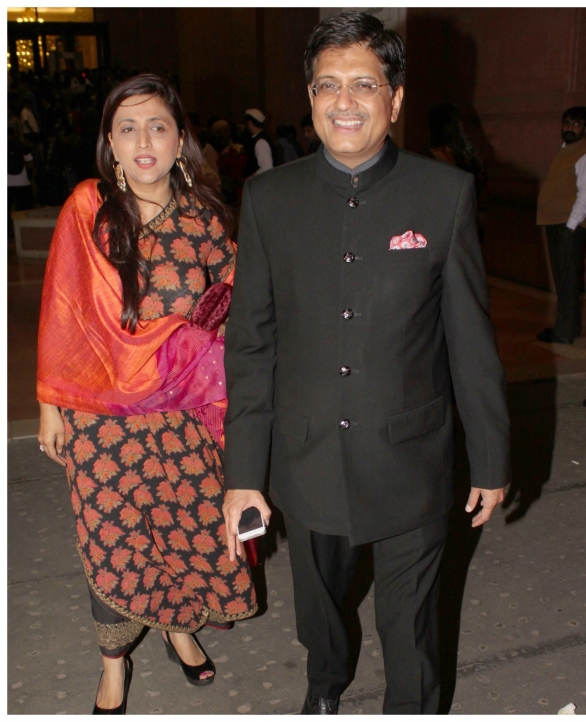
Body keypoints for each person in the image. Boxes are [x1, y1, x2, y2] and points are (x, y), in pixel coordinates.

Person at [221, 12, 510, 715]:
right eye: (328, 85)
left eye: (364, 84)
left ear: (395, 99)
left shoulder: (443, 195)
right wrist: (243, 475)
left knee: (412, 630)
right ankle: (325, 684)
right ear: (310, 97)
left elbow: (469, 339)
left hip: (411, 456)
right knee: (319, 609)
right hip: (306, 455)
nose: (344, 102)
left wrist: (491, 457)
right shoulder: (268, 199)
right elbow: (251, 344)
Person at [35, 73, 251, 714]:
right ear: (110, 142)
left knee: (183, 530)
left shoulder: (205, 218)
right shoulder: (88, 212)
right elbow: (62, 312)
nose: (144, 142)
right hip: (101, 420)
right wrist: (49, 405)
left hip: (182, 416)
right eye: (127, 129)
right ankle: (113, 667)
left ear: (181, 139)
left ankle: (178, 628)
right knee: (115, 540)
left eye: (158, 126)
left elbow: (238, 303)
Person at [535, 106, 586, 344]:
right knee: (563, 279)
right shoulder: (566, 149)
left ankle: (564, 333)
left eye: (576, 124)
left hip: (568, 225)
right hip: (557, 223)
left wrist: (570, 227)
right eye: (567, 123)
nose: (570, 128)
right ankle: (565, 327)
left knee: (568, 280)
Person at [242, 108, 280, 178]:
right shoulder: (263, 138)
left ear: (250, 123)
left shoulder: (261, 142)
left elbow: (267, 168)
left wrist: (252, 177)